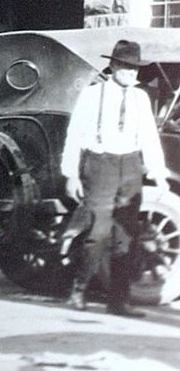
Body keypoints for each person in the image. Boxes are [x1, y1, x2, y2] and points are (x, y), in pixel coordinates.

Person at [62, 39, 169, 317]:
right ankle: (79, 289)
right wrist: (71, 174)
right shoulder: (91, 95)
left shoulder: (140, 98)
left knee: (126, 238)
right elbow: (74, 136)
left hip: (130, 166)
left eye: (135, 68)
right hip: (100, 165)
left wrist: (157, 172)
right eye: (125, 67)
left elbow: (149, 137)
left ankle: (119, 301)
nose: (131, 73)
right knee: (97, 233)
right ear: (112, 66)